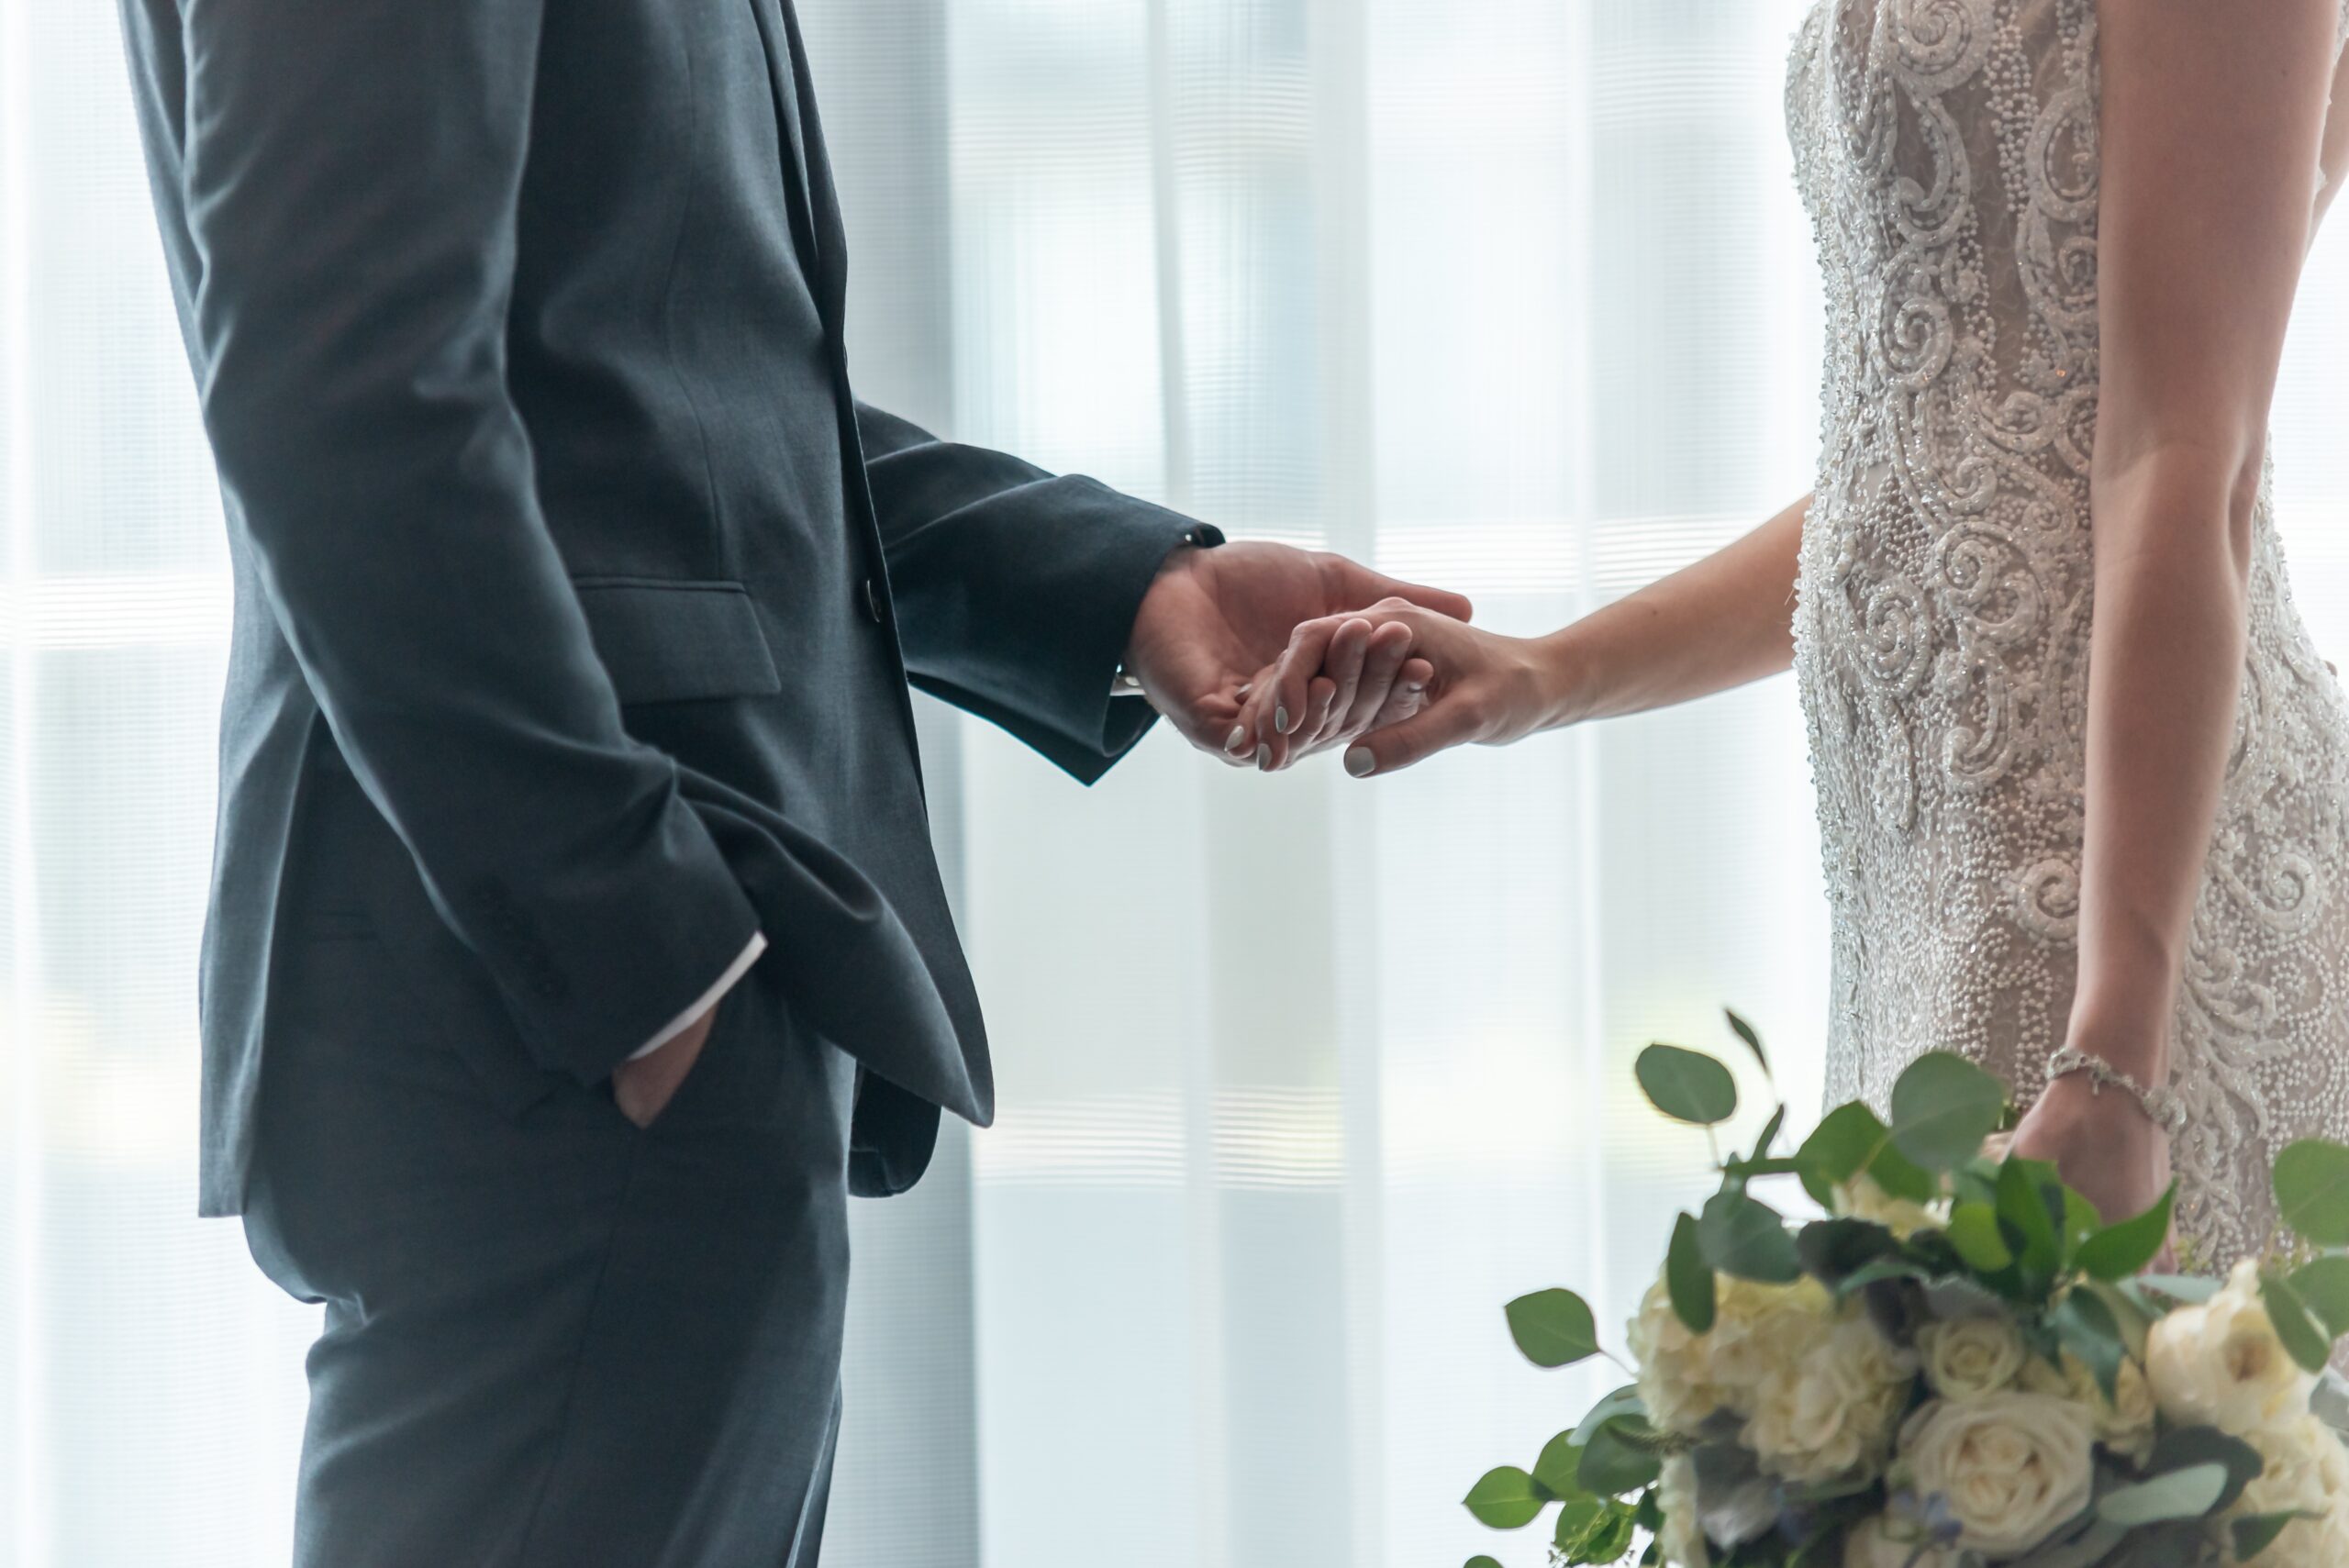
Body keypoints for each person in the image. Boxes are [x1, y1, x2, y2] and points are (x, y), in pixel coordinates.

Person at [112, 0, 1465, 1560]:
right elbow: (342, 391)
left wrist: (1123, 590)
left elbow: (663, 403)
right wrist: (645, 968)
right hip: (562, 1040)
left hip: (645, 1053)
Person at [1248, 0, 2349, 1268]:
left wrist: (2118, 1052)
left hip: (2127, 904)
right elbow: (1941, 466)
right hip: (1918, 887)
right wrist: (1547, 673)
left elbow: (2182, 461)